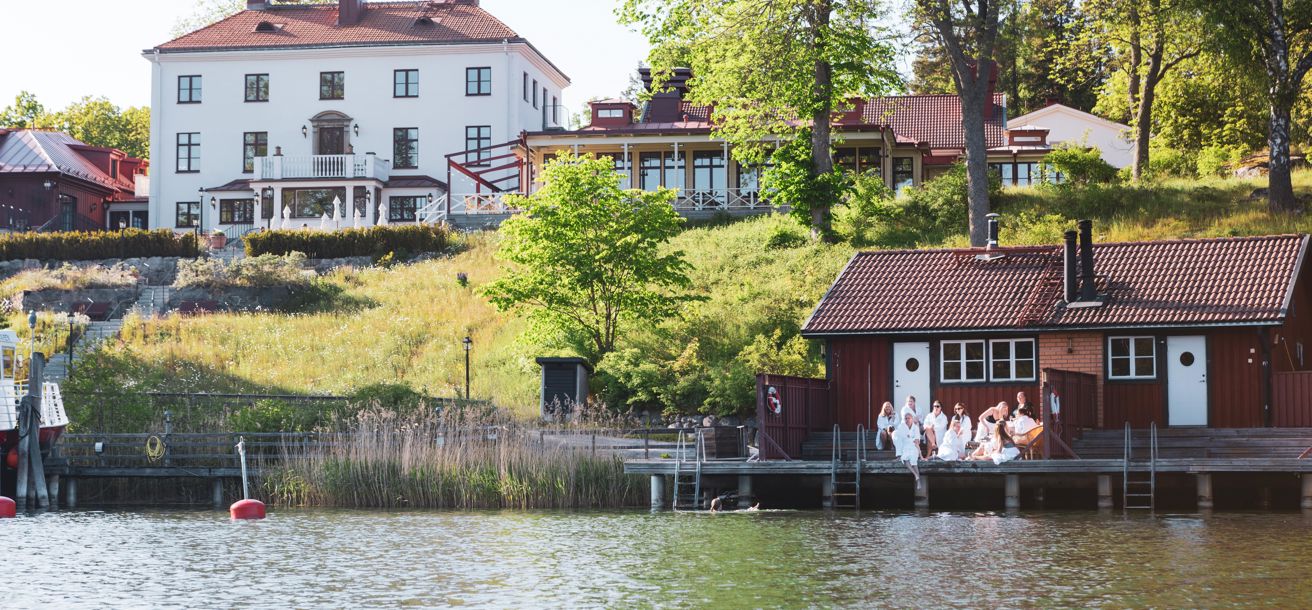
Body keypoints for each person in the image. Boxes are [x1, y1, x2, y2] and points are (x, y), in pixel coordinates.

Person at [894, 411, 922, 488]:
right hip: (905, 446)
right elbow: (900, 439)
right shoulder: (901, 427)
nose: (907, 420)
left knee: (914, 462)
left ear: (912, 419)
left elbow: (917, 440)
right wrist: (910, 438)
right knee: (905, 458)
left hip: (913, 446)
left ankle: (918, 481)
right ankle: (916, 475)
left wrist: (913, 439)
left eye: (908, 418)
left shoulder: (915, 427)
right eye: (905, 418)